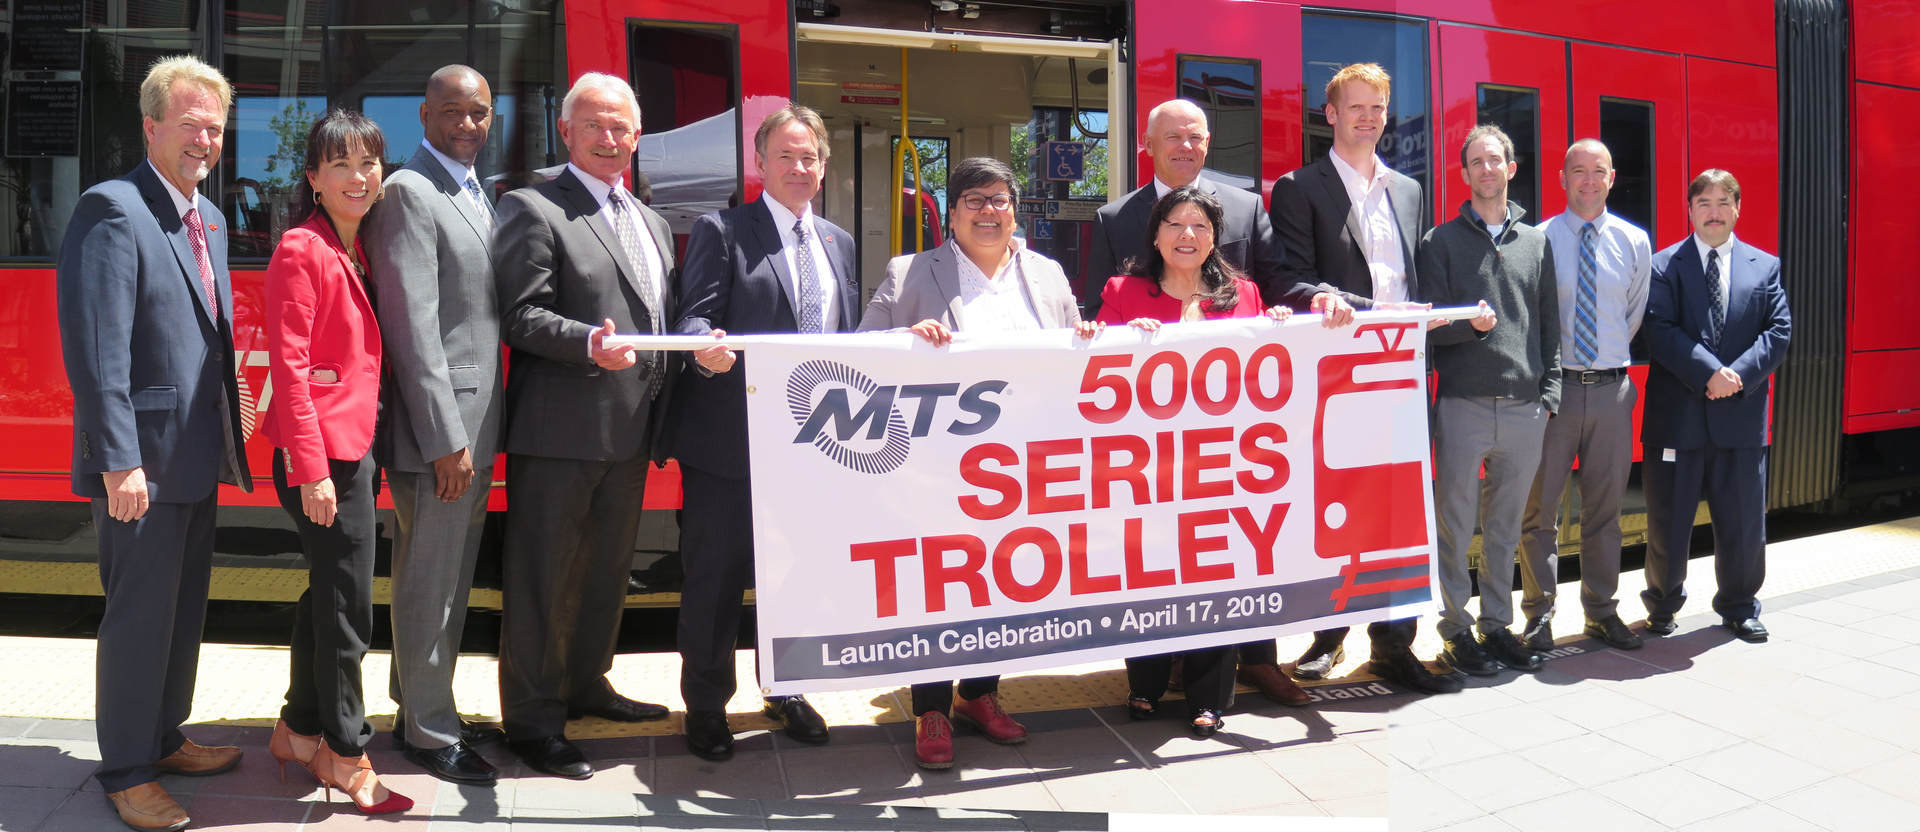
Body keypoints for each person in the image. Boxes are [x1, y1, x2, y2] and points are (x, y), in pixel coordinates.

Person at [1087, 98, 1344, 705]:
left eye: (1196, 137)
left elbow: (1276, 283)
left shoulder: (1248, 205)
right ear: (1147, 143)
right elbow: (1093, 314)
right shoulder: (1113, 216)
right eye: (1172, 137)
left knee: (1237, 544)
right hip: (1149, 432)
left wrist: (1317, 302)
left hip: (1228, 431)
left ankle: (1255, 661)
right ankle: (1166, 665)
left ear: (1209, 143)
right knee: (1155, 548)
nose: (1185, 147)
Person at [54, 55, 252, 832]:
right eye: (190, 124)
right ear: (151, 127)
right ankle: (128, 769)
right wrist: (118, 459)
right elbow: (97, 349)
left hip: (198, 453)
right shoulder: (113, 208)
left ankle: (163, 736)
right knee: (139, 617)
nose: (204, 139)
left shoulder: (208, 217)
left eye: (215, 127)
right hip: (143, 460)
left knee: (182, 610)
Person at [859, 157, 1079, 769]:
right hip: (938, 467)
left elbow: (1074, 352)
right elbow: (861, 347)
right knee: (944, 580)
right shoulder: (909, 274)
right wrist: (908, 342)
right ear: (950, 215)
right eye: (974, 200)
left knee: (1004, 575)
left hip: (1022, 467)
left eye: (1000, 200)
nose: (989, 211)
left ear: (1015, 210)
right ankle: (931, 704)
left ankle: (980, 692)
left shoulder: (1047, 273)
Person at [494, 71, 675, 780]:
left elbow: (661, 320)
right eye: (594, 124)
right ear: (566, 131)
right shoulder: (534, 207)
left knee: (604, 574)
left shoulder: (650, 220)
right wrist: (586, 342)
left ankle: (587, 683)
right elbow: (518, 313)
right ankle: (534, 723)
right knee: (543, 580)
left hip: (631, 431)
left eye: (621, 126)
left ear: (637, 137)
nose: (609, 137)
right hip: (560, 431)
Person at [662, 103, 856, 762]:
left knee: (796, 579)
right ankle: (708, 706)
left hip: (811, 449)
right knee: (713, 579)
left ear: (823, 167)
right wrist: (701, 347)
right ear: (761, 163)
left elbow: (844, 344)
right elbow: (694, 315)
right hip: (729, 444)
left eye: (810, 157)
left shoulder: (838, 242)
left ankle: (789, 690)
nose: (799, 167)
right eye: (786, 156)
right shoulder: (724, 229)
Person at [1267, 62, 1459, 694]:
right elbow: (1285, 279)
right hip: (1336, 377)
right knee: (1338, 505)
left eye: (1377, 108)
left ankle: (1394, 645)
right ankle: (1328, 633)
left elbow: (1413, 278)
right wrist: (1324, 297)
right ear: (1331, 114)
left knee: (1401, 509)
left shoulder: (1408, 189)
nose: (1368, 118)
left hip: (1402, 373)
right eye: (1356, 107)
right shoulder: (1299, 187)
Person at [1096, 186, 1294, 735]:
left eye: (1201, 226)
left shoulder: (1246, 297)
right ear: (1155, 235)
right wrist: (1111, 341)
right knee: (1150, 573)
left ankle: (1210, 696)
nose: (1188, 235)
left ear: (1215, 239)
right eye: (1176, 225)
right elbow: (1093, 377)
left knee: (1217, 577)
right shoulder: (1122, 291)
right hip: (1147, 468)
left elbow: (1265, 375)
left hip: (1221, 468)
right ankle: (1146, 685)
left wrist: (1284, 331)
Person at [259, 109, 412, 815]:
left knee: (328, 591)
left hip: (353, 448)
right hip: (323, 457)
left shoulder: (360, 247)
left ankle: (297, 728)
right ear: (315, 179)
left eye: (370, 163)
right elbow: (288, 368)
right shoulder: (302, 248)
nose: (359, 177)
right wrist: (312, 468)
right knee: (349, 605)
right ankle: (346, 754)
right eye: (341, 164)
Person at [363, 64, 506, 785]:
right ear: (424, 115)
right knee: (432, 582)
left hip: (473, 426)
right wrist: (446, 437)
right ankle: (426, 730)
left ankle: (420, 699)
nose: (467, 124)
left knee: (445, 576)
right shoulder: (410, 193)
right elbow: (413, 327)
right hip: (443, 433)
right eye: (452, 111)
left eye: (479, 112)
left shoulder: (470, 191)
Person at [1418, 124, 1559, 678]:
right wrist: (1471, 330)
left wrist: (1548, 395)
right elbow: (1429, 327)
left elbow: (1549, 325)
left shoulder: (1537, 243)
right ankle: (1456, 630)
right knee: (1455, 524)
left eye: (1495, 159)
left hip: (1525, 407)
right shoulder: (1439, 242)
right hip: (1462, 405)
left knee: (1504, 528)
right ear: (1465, 173)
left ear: (1511, 168)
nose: (1486, 169)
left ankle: (1497, 627)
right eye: (1475, 161)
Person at [1641, 170, 1790, 644]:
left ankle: (1740, 606)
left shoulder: (1765, 267)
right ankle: (1663, 606)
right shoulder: (1665, 265)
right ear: (1690, 210)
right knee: (1668, 521)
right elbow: (1659, 330)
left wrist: (1737, 377)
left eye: (1723, 201)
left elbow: (1778, 332)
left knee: (1744, 523)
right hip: (1677, 421)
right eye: (1703, 202)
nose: (1714, 211)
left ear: (1738, 208)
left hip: (1741, 422)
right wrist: (1711, 373)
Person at [1520, 139, 1653, 652]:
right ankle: (1538, 615)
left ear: (1612, 177)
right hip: (1555, 393)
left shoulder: (1635, 242)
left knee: (1605, 511)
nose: (1589, 180)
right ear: (1562, 177)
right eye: (1578, 171)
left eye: (1598, 171)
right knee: (1541, 514)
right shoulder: (1538, 240)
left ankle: (1600, 611)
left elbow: (1632, 315)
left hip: (1613, 393)